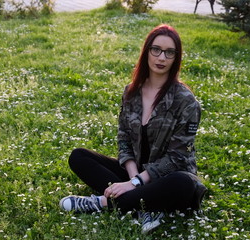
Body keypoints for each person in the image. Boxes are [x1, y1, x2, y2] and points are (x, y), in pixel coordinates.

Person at [59, 24, 207, 234]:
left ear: (176, 58)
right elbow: (124, 139)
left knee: (183, 183)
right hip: (136, 171)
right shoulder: (131, 92)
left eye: (169, 52)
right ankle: (146, 207)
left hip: (168, 178)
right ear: (146, 52)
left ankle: (101, 203)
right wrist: (132, 179)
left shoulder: (186, 102)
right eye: (156, 49)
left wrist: (136, 183)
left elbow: (177, 157)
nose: (161, 57)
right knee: (79, 157)